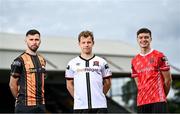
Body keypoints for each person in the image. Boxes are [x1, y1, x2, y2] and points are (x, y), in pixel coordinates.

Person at [65, 30, 112, 113]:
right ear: (79, 44)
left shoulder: (102, 62)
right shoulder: (72, 63)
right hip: (80, 107)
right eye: (83, 42)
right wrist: (78, 98)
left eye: (89, 42)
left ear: (93, 43)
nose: (86, 45)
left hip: (100, 106)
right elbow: (69, 85)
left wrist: (99, 96)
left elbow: (107, 83)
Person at [131, 28, 172, 113]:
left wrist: (162, 96)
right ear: (137, 40)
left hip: (158, 101)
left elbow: (168, 81)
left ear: (151, 39)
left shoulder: (159, 56)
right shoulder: (134, 60)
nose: (143, 40)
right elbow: (138, 84)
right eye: (141, 37)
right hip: (141, 102)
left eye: (146, 37)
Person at [9, 29, 46, 113]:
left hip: (41, 105)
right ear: (26, 41)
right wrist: (19, 100)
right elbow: (12, 84)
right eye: (31, 39)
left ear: (40, 41)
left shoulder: (42, 60)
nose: (34, 42)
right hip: (24, 106)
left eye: (36, 39)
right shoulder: (19, 60)